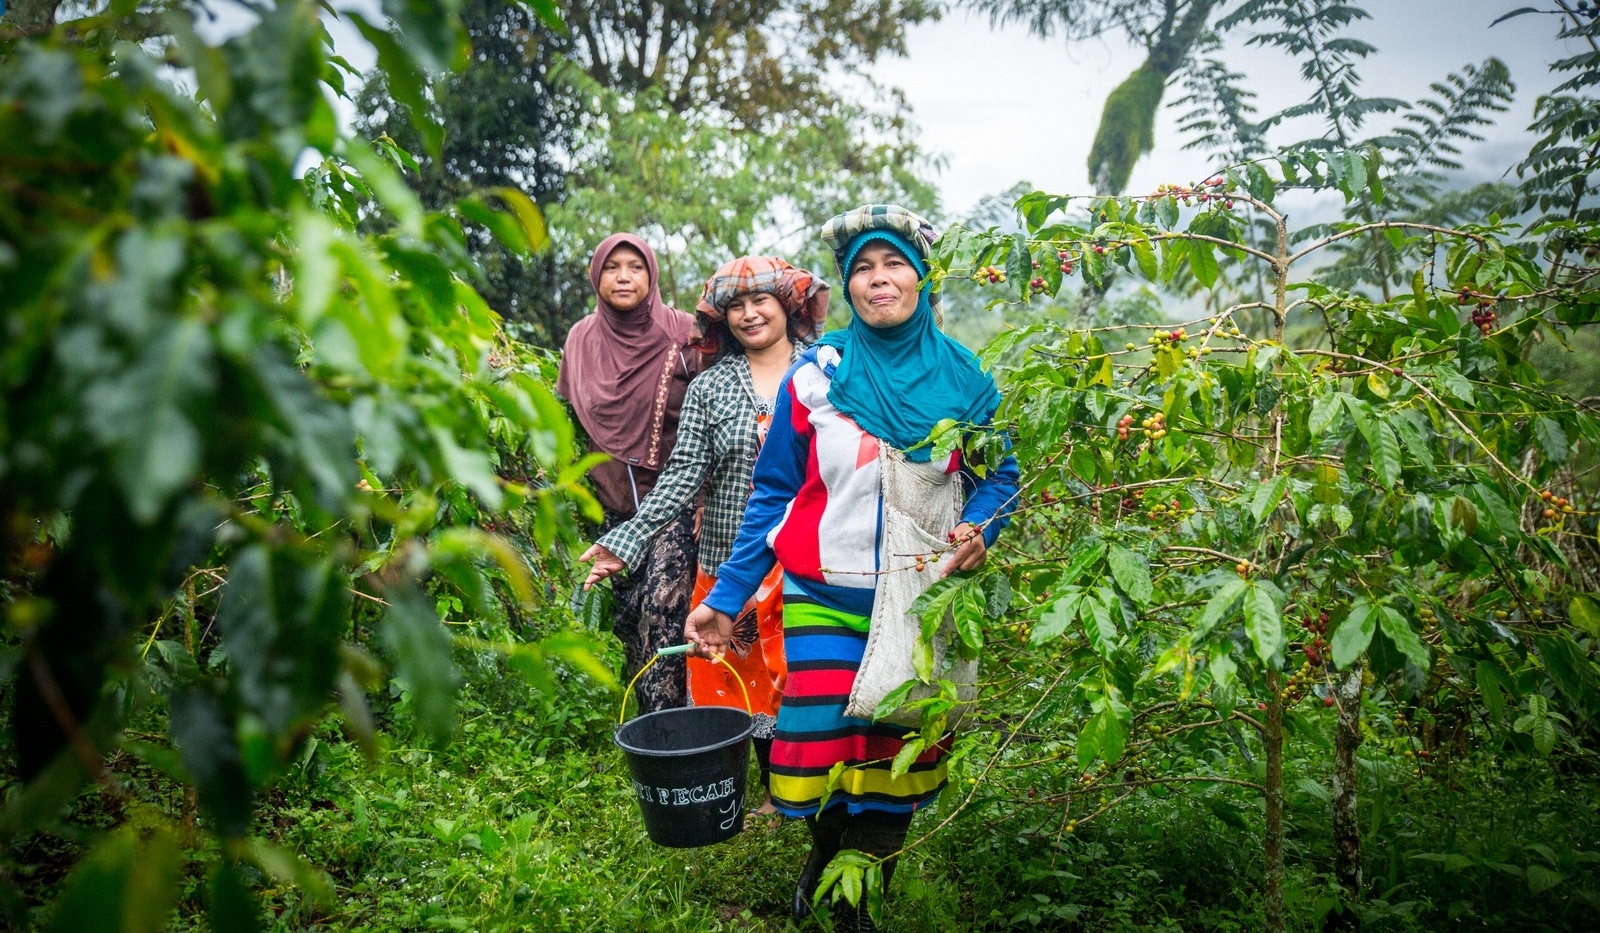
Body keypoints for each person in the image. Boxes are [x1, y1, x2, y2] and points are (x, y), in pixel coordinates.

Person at [684, 206, 1019, 931]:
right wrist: (729, 594)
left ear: (921, 275)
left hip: (920, 597)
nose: (879, 280)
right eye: (863, 268)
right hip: (822, 591)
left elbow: (1003, 474)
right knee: (825, 743)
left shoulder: (967, 381)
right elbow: (773, 492)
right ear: (848, 284)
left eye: (893, 263)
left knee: (899, 746)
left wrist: (982, 523)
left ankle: (854, 897)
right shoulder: (817, 375)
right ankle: (826, 855)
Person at [581, 256, 829, 818]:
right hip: (731, 565)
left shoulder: (825, 374)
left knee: (806, 678)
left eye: (760, 301)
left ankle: (807, 790)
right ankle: (764, 795)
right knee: (740, 682)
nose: (748, 314)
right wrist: (627, 539)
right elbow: (682, 476)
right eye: (735, 306)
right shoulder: (711, 388)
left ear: (788, 305)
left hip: (810, 563)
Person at [557, 234, 700, 714]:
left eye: (635, 267)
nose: (623, 277)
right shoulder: (580, 339)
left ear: (651, 276)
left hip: (675, 506)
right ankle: (656, 739)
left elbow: (717, 404)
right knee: (631, 624)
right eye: (612, 267)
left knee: (664, 612)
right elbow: (567, 417)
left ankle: (677, 738)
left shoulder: (684, 333)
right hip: (612, 509)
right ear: (596, 275)